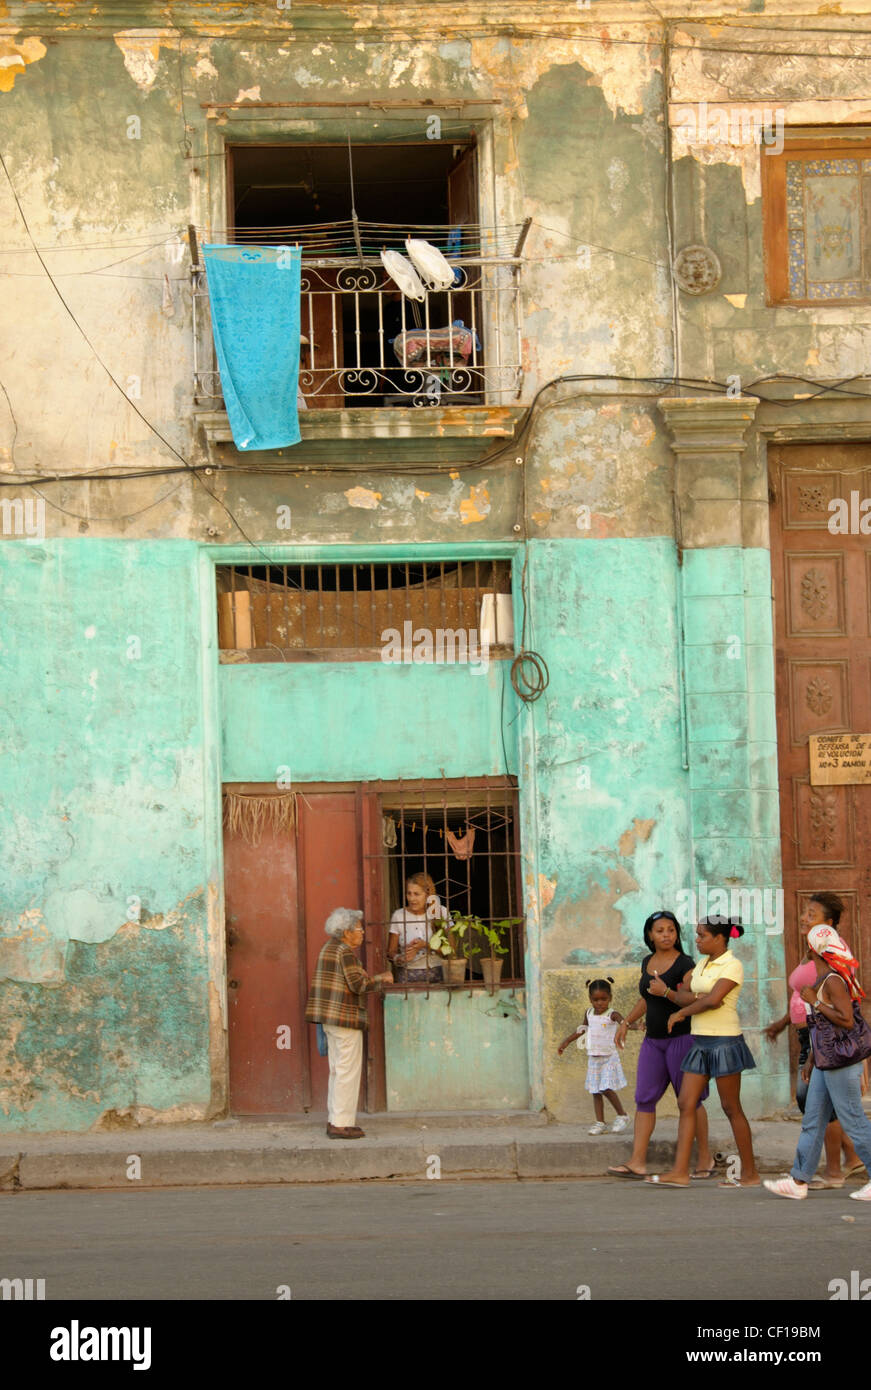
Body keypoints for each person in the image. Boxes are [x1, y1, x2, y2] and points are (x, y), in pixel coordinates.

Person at [647, 917, 760, 1188]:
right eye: (697, 935)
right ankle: (679, 1172)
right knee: (686, 1102)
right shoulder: (702, 965)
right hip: (700, 1042)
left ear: (720, 938)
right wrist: (672, 996)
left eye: (702, 936)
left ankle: (750, 1174)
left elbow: (713, 1000)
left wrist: (683, 1009)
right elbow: (688, 994)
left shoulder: (732, 965)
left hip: (724, 1041)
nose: (696, 940)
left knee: (731, 1107)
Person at [763, 924, 871, 1201]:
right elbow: (823, 1028)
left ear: (813, 950)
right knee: (813, 1119)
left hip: (842, 1064)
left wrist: (815, 1002)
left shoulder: (832, 981)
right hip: (826, 1061)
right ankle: (799, 1180)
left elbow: (846, 1020)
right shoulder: (824, 979)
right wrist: (812, 1059)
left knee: (853, 1121)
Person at [607, 911, 714, 1179]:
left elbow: (694, 999)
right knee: (644, 1099)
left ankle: (705, 1159)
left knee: (690, 1102)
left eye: (670, 930)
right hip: (653, 1042)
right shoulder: (647, 962)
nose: (666, 935)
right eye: (660, 930)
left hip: (683, 1040)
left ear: (677, 934)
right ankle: (637, 1162)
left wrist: (666, 991)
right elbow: (646, 998)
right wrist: (626, 1022)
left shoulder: (685, 964)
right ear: (650, 936)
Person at [305, 907, 393, 1139]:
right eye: (358, 929)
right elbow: (357, 985)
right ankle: (341, 1124)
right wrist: (380, 979)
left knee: (337, 1070)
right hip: (344, 1018)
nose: (362, 932)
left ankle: (336, 1119)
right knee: (346, 1071)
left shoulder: (329, 948)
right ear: (345, 932)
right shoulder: (344, 952)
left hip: (330, 1019)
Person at [558, 977, 630, 1135]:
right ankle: (600, 1122)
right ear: (590, 999)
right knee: (595, 1091)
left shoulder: (612, 1014)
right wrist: (566, 1041)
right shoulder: (589, 1013)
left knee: (606, 1088)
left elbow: (625, 1023)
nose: (600, 1003)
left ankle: (622, 1115)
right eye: (596, 999)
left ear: (610, 998)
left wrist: (637, 1026)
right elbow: (582, 1029)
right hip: (594, 1058)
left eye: (604, 999)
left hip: (608, 1057)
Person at [386, 873, 446, 983]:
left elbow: (449, 951)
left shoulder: (439, 913)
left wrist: (425, 945)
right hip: (407, 976)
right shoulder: (399, 915)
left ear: (427, 895)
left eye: (416, 894)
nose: (412, 898)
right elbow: (390, 952)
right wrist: (399, 958)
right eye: (409, 894)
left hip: (436, 975)